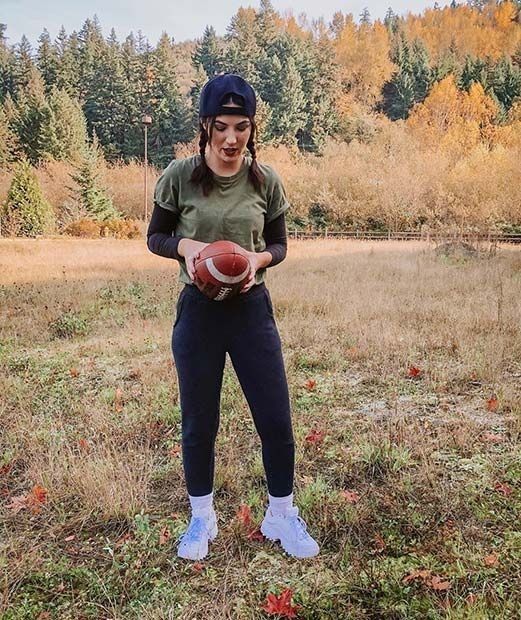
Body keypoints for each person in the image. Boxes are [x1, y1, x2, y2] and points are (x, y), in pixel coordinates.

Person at [146, 73, 319, 561]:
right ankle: (202, 517)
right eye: (221, 126)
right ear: (205, 125)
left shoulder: (266, 181)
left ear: (251, 128)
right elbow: (154, 237)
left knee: (275, 417)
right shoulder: (179, 175)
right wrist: (189, 247)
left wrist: (254, 262)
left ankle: (281, 515)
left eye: (241, 127)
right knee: (199, 420)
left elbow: (280, 245)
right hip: (199, 313)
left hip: (250, 311)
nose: (230, 139)